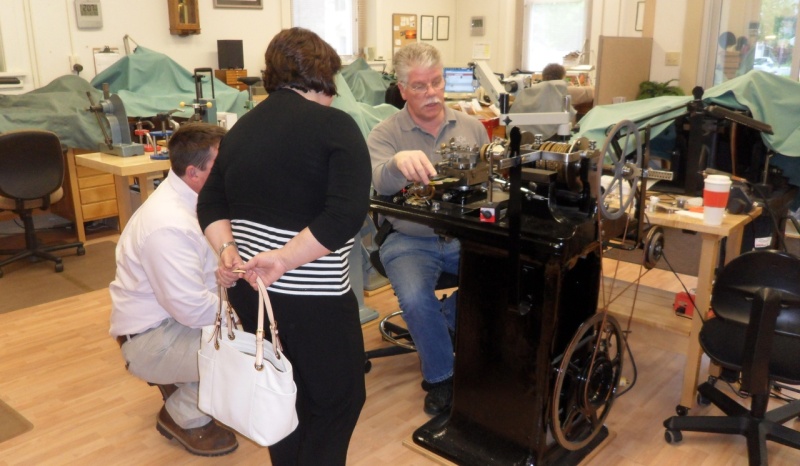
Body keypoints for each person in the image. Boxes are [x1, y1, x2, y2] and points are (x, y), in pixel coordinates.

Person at [197, 27, 371, 465]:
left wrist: (227, 252)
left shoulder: (240, 129)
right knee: (338, 402)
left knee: (279, 395)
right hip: (312, 296)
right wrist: (283, 259)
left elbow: (210, 201)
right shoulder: (337, 126)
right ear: (324, 74)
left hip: (252, 292)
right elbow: (344, 217)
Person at [368, 43, 490, 416]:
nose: (432, 93)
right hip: (408, 239)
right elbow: (376, 179)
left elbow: (490, 184)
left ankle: (444, 322)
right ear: (402, 90)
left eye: (436, 82)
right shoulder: (384, 134)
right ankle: (441, 378)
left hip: (463, 237)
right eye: (419, 86)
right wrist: (396, 163)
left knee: (504, 278)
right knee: (416, 298)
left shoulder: (472, 128)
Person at [108, 123, 237, 457]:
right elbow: (192, 308)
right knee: (250, 352)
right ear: (194, 172)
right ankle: (179, 414)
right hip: (153, 339)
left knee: (243, 334)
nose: (230, 171)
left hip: (170, 320)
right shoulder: (168, 225)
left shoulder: (193, 200)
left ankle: (188, 379)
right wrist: (243, 317)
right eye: (221, 167)